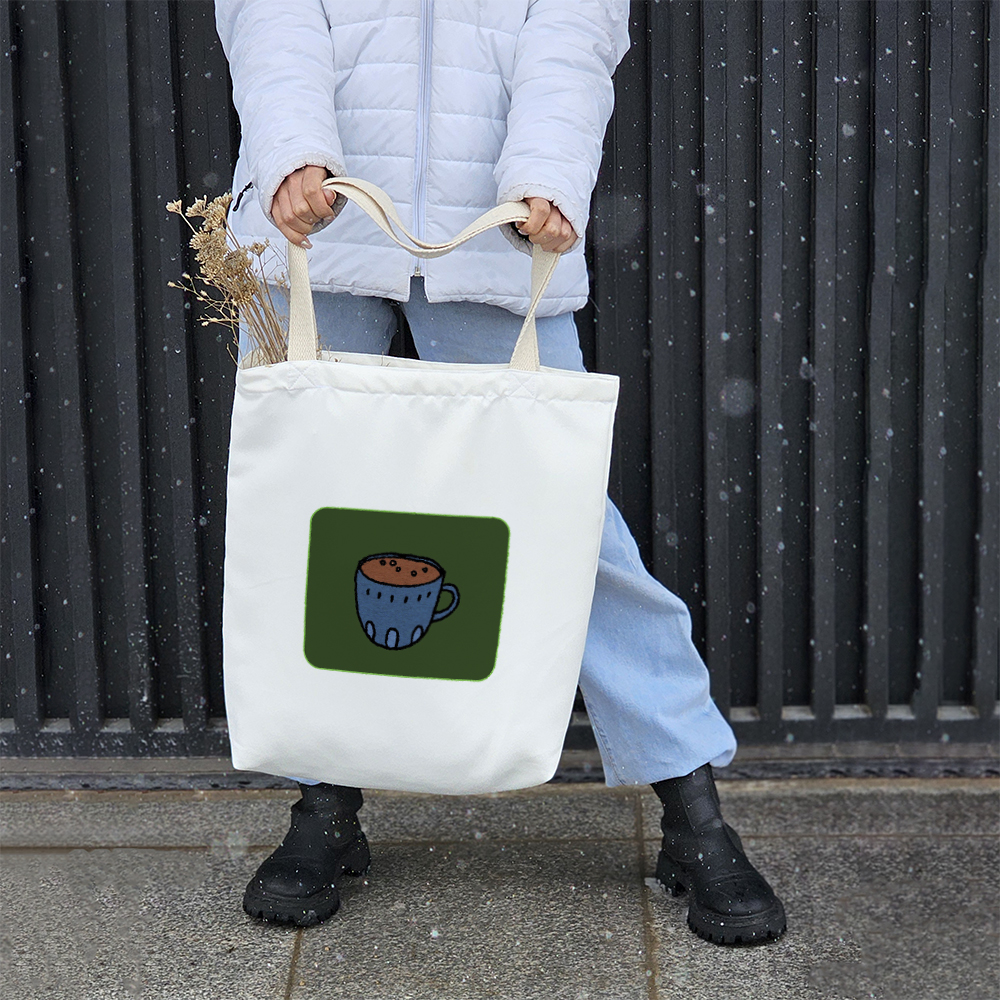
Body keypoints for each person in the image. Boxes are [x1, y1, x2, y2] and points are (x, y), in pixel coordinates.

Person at [215, 0, 786, 946]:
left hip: (496, 233)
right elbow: (272, 15)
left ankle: (693, 812)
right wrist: (292, 153)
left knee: (569, 529)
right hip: (316, 229)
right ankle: (323, 802)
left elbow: (573, 28)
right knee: (313, 531)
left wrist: (548, 174)